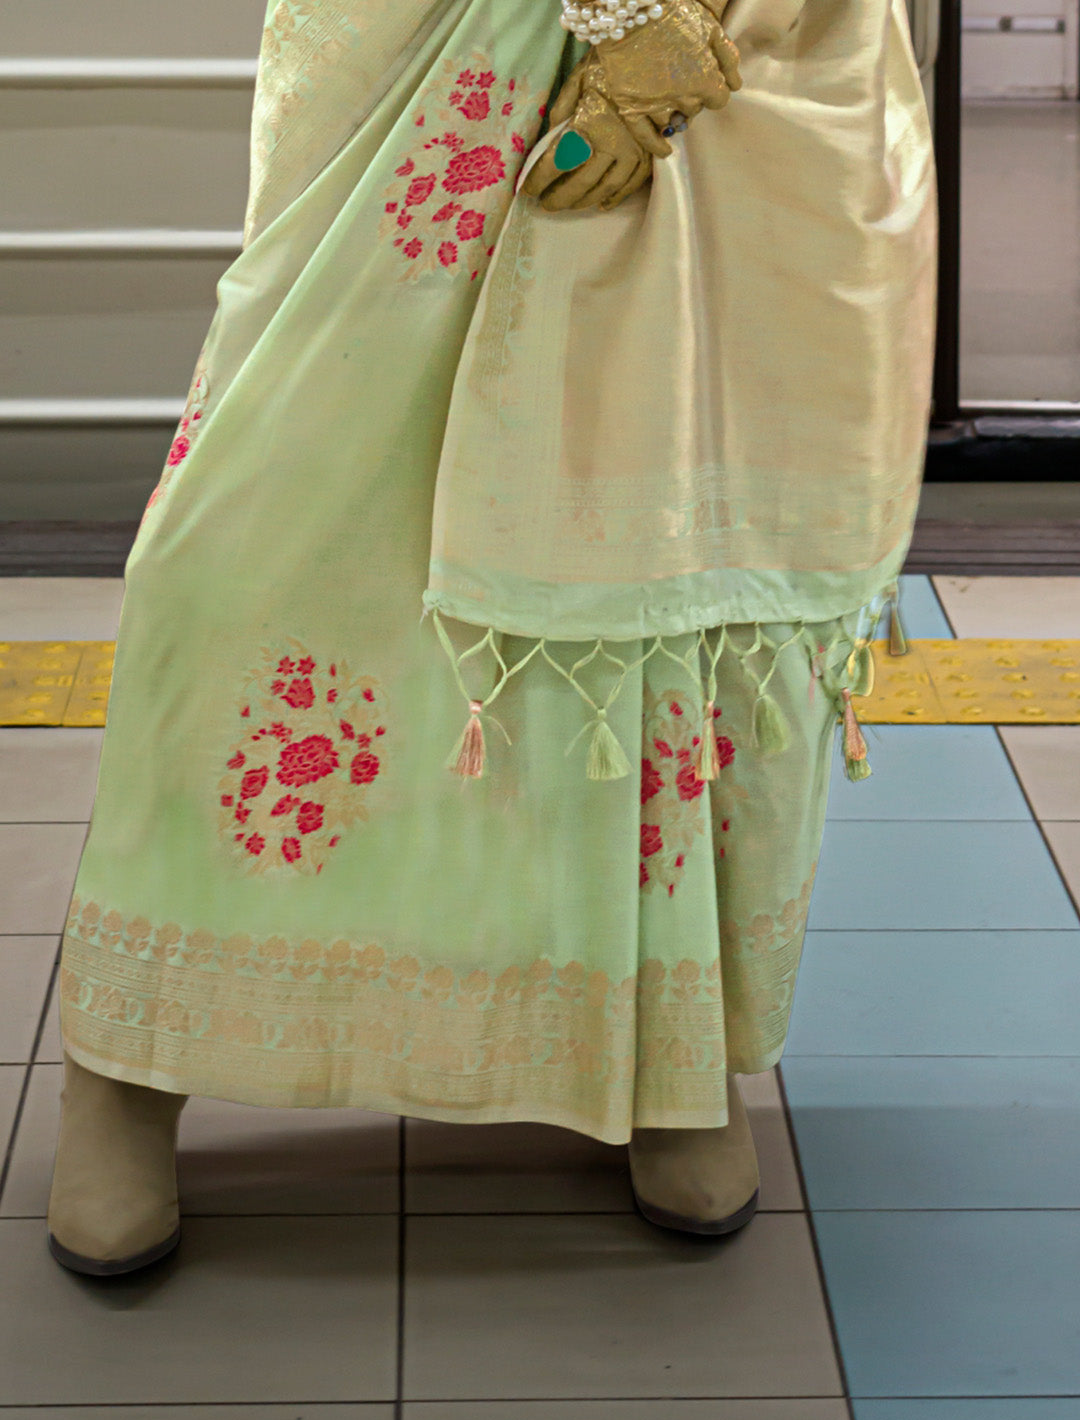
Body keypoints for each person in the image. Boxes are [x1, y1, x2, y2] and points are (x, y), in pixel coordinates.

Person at [48, 0, 936, 1274]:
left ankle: (666, 1059)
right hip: (432, 49)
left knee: (671, 550)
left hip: (751, 64)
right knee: (252, 538)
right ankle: (130, 1058)